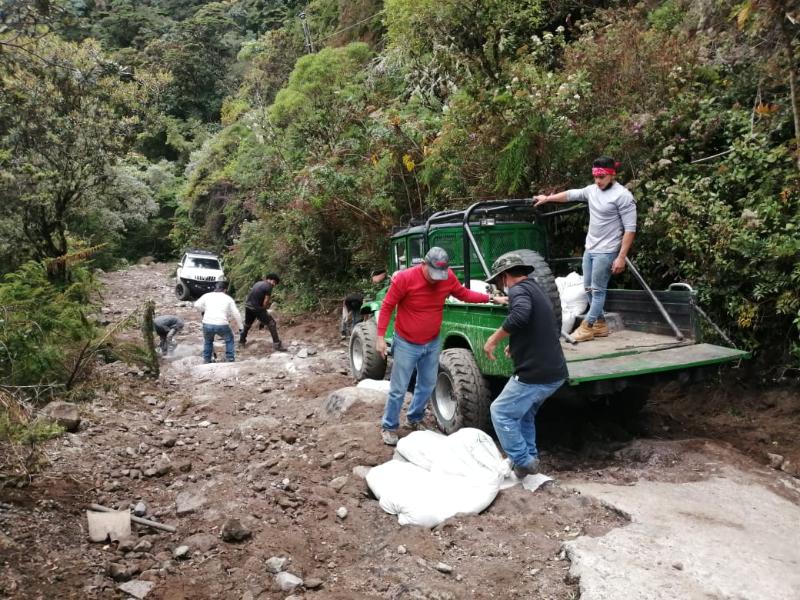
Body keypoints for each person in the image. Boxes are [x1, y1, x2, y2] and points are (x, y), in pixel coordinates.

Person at [376, 247, 506, 446]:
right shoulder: (405, 279)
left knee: (427, 384)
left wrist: (490, 298)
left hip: (432, 341)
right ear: (423, 264)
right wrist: (379, 337)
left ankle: (415, 418)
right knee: (398, 388)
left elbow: (463, 294)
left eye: (441, 274)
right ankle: (389, 426)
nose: (437, 279)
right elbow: (386, 306)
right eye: (433, 273)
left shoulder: (447, 277)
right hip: (406, 342)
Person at [533, 156, 637, 342]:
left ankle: (587, 326)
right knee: (588, 289)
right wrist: (547, 198)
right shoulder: (592, 190)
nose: (598, 181)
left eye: (602, 177)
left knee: (598, 291)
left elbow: (630, 229)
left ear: (612, 175)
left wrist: (621, 257)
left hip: (607, 251)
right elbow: (570, 195)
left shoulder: (623, 196)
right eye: (595, 177)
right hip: (590, 249)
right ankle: (600, 324)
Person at [483, 252, 568, 479]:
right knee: (524, 414)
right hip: (555, 372)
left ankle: (523, 461)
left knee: (500, 411)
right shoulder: (536, 289)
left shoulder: (518, 290)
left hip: (535, 374)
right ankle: (530, 458)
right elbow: (536, 323)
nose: (500, 287)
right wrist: (518, 345)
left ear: (505, 277)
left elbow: (520, 315)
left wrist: (494, 339)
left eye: (499, 282)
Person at [194, 281, 243, 363]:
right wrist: (241, 327)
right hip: (222, 324)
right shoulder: (228, 298)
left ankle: (207, 359)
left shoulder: (207, 295)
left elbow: (196, 305)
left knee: (208, 341)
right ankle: (230, 358)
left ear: (215, 288)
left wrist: (204, 310)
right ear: (225, 290)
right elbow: (236, 313)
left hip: (207, 323)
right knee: (229, 339)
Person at [239, 273, 287, 351]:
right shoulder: (269, 286)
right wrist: (264, 310)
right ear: (271, 280)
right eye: (274, 283)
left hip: (248, 306)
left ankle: (241, 342)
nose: (274, 285)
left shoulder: (258, 283)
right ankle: (277, 345)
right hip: (257, 307)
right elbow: (266, 301)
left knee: (247, 324)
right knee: (271, 323)